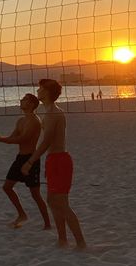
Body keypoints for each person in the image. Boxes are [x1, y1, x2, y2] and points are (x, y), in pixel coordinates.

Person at [21, 79, 87, 250]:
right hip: (53, 160)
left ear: (47, 92)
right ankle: (62, 239)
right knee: (51, 201)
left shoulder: (53, 114)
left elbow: (46, 141)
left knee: (62, 204)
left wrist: (30, 161)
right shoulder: (48, 112)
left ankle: (81, 243)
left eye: (41, 88)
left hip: (60, 160)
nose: (37, 90)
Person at [0, 94, 51, 229]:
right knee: (7, 187)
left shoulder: (35, 121)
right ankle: (22, 214)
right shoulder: (20, 120)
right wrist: (1, 139)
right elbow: (13, 137)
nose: (21, 101)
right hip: (20, 158)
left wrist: (0, 139)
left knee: (35, 194)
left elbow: (22, 139)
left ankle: (47, 224)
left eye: (24, 100)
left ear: (31, 104)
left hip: (31, 159)